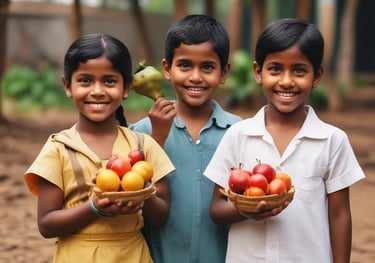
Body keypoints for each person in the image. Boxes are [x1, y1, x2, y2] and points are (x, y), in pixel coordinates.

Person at [204, 18, 366, 263]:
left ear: (317, 75)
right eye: (275, 69)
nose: (286, 81)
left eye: (299, 70)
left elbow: (339, 214)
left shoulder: (333, 140)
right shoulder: (238, 135)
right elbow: (216, 209)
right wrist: (247, 211)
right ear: (258, 73)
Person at [24, 33, 175, 262]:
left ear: (126, 88)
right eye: (85, 80)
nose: (97, 90)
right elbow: (46, 224)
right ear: (67, 86)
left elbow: (161, 215)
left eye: (109, 81)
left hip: (132, 255)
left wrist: (142, 193)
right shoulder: (58, 148)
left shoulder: (143, 145)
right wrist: (95, 208)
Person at [129, 15, 242, 263]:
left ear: (224, 72)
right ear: (167, 69)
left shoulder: (240, 132)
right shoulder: (140, 132)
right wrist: (156, 138)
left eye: (208, 67)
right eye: (185, 65)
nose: (195, 77)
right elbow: (130, 188)